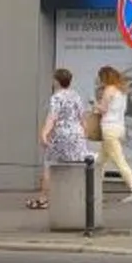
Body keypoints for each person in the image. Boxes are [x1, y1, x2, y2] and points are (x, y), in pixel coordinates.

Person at [30, 66, 89, 210]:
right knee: (79, 165)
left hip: (62, 134)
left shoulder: (56, 97)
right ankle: (82, 198)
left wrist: (44, 133)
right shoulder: (76, 96)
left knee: (49, 164)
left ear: (56, 81)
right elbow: (82, 117)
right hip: (77, 134)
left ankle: (43, 199)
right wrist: (84, 132)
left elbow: (52, 117)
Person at [93, 65, 132, 202]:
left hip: (109, 128)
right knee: (100, 162)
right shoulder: (121, 91)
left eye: (101, 78)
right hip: (119, 127)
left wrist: (94, 104)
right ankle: (95, 191)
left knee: (119, 161)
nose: (100, 81)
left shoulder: (109, 90)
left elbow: (103, 109)